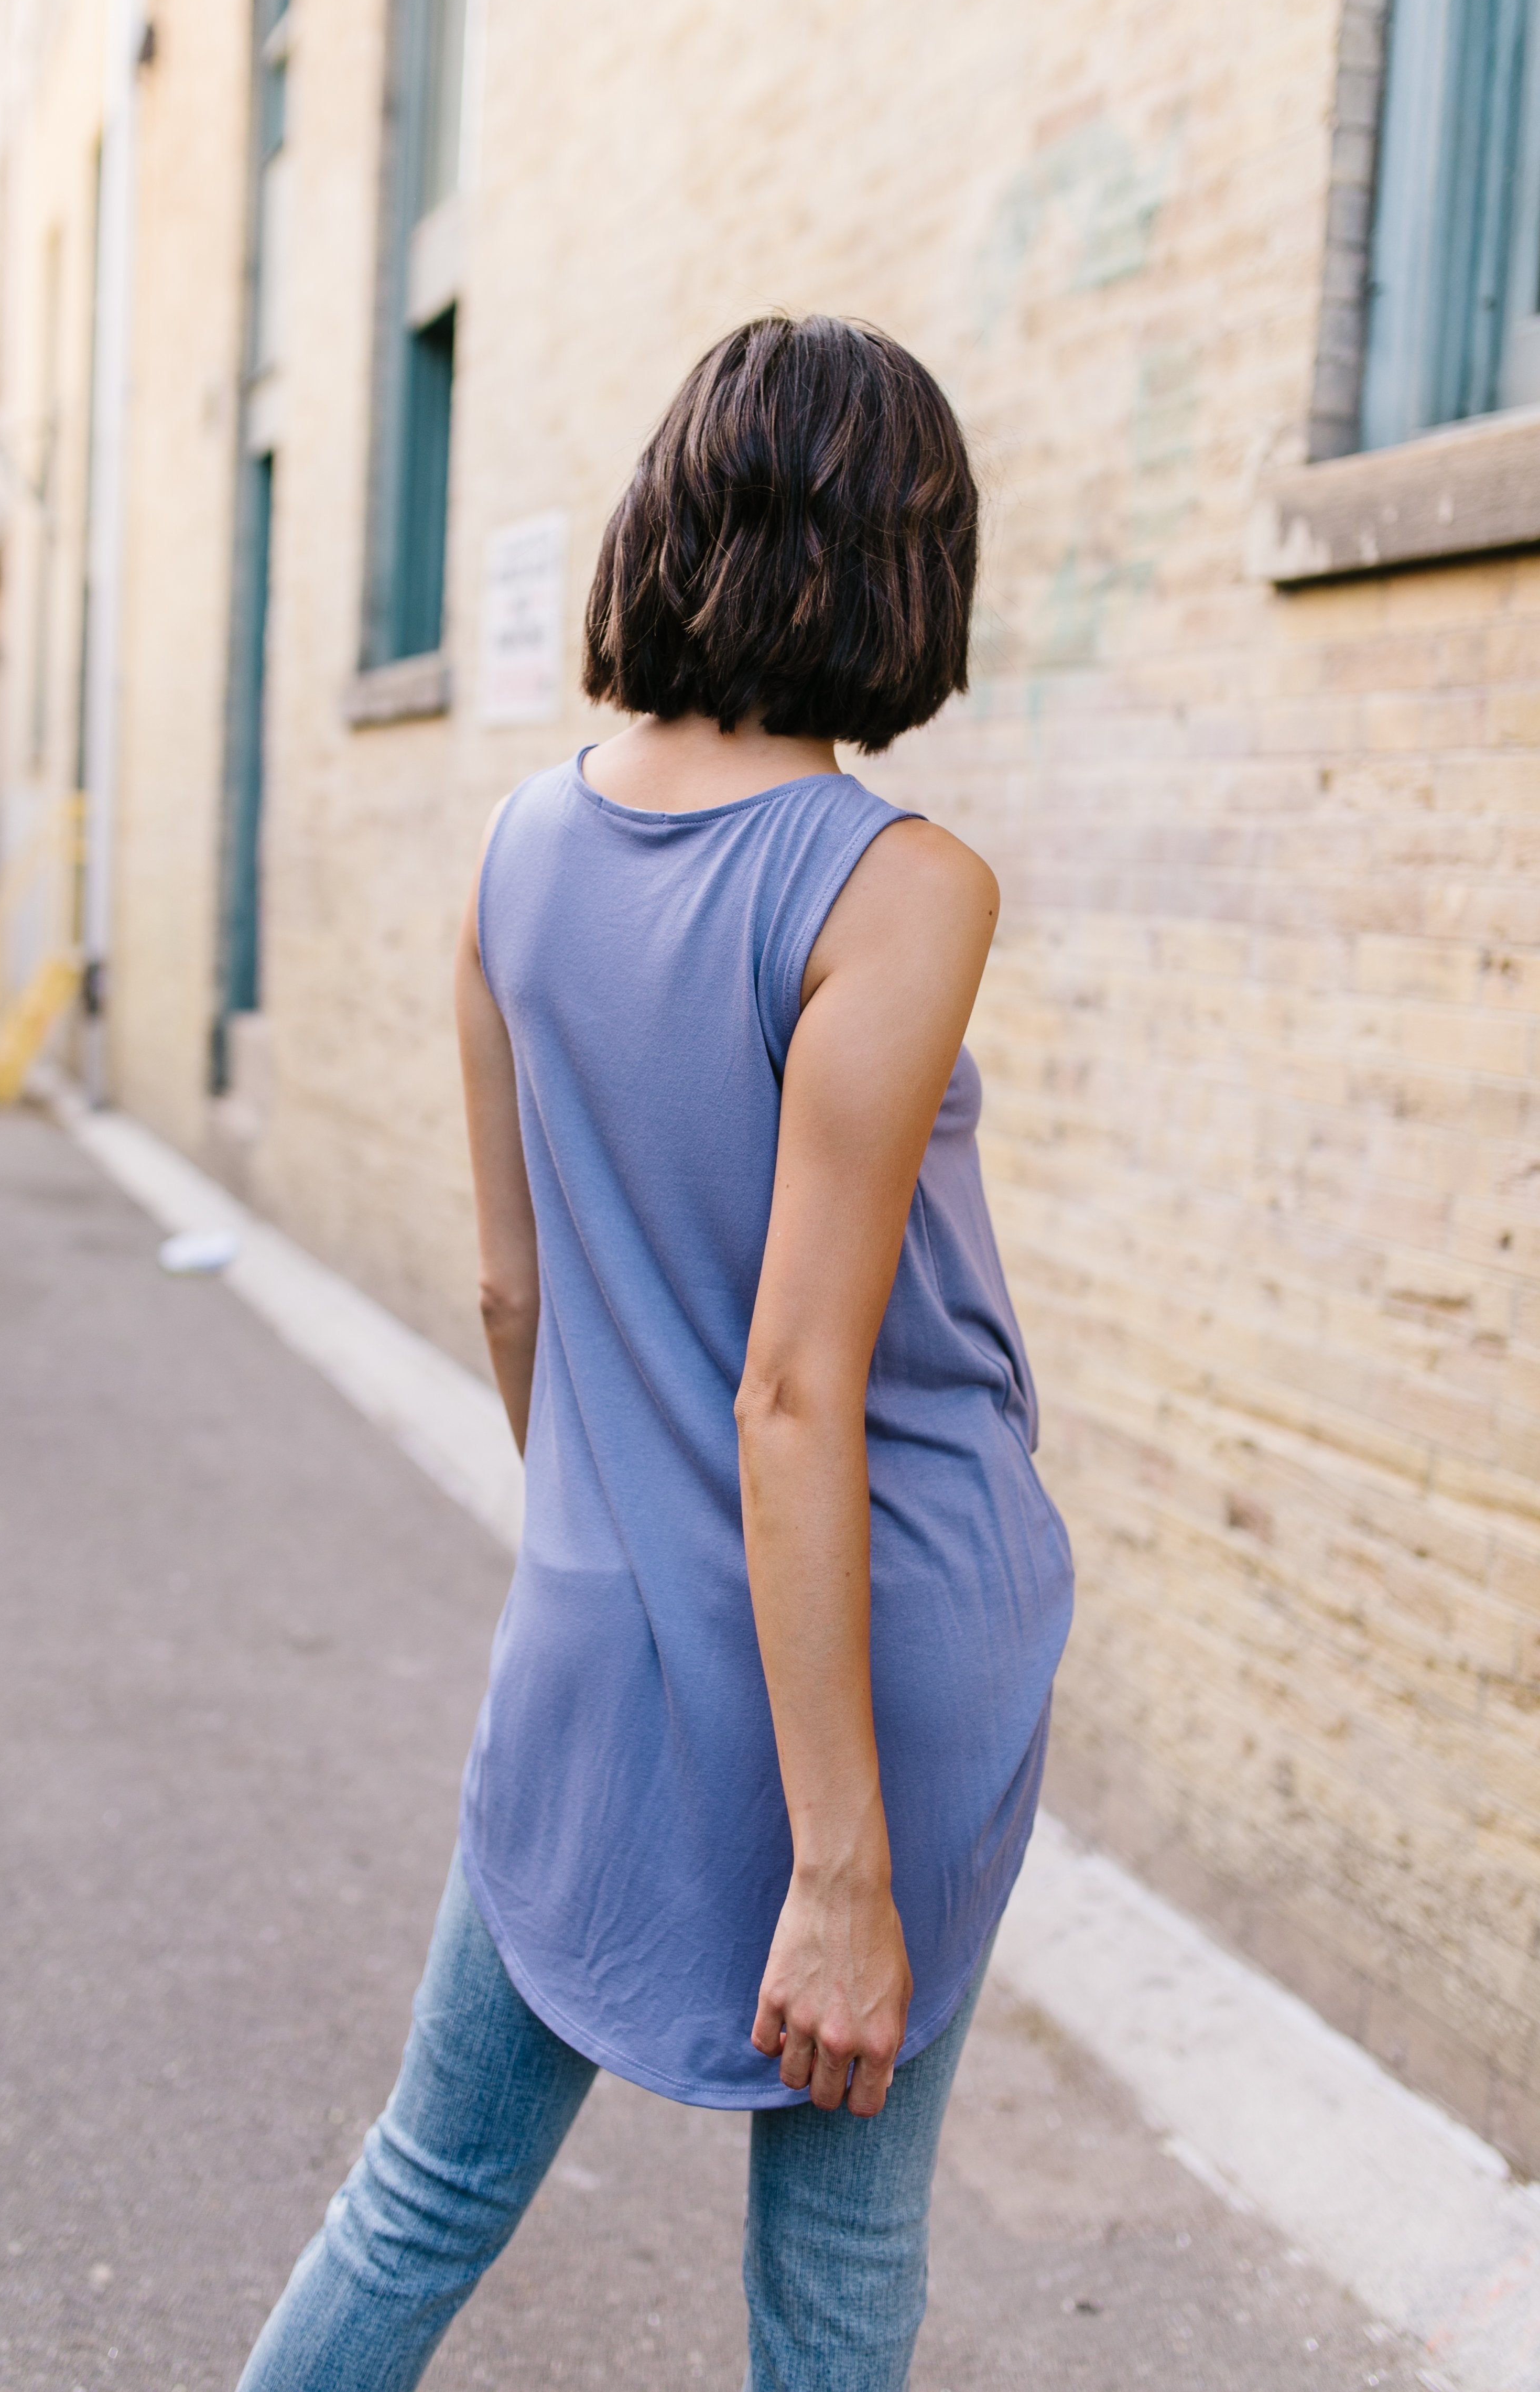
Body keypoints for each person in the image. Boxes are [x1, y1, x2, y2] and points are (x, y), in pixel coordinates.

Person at [237, 314, 1074, 2392]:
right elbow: (799, 1387)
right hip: (876, 1640)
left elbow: (516, 1300)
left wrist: (622, 1558)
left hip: (603, 1630)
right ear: (902, 559)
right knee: (837, 2282)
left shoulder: (517, 852)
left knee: (421, 2195)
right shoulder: (898, 886)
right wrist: (842, 1869)